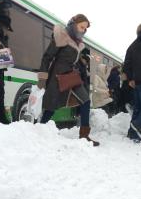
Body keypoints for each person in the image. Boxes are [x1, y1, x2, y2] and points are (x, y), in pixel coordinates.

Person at [37, 14, 99, 146]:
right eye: (81, 27)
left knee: (86, 101)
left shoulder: (78, 43)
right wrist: (43, 78)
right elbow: (47, 57)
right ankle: (38, 130)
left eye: (85, 28)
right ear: (73, 23)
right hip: (56, 77)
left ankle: (84, 136)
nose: (83, 30)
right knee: (50, 107)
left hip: (71, 76)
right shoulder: (61, 36)